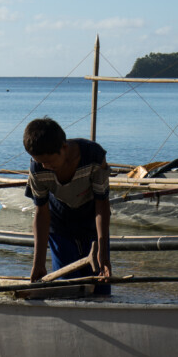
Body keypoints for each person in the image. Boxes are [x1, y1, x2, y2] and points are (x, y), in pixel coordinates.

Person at [22, 118, 111, 291]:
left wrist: (103, 251)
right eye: (40, 162)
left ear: (64, 148)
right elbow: (41, 213)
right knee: (67, 286)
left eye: (49, 162)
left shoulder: (94, 156)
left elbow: (102, 204)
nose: (45, 166)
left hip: (91, 222)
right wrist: (39, 263)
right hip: (59, 225)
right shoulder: (38, 169)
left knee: (101, 283)